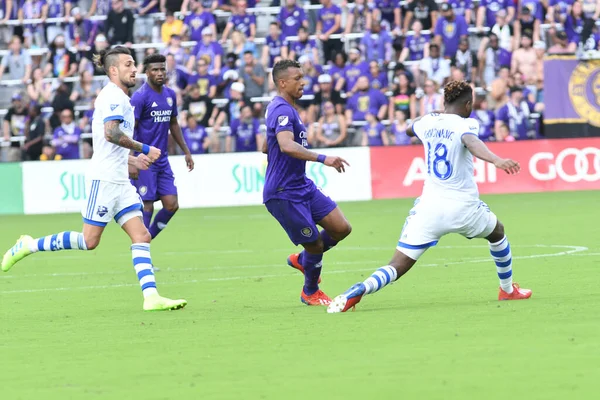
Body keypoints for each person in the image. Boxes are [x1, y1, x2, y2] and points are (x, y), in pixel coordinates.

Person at [1, 47, 187, 312]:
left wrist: (131, 160)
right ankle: (29, 245)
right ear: (113, 70)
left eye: (134, 64)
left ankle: (151, 296)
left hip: (120, 180)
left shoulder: (122, 97)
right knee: (89, 241)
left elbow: (109, 145)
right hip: (104, 180)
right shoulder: (113, 96)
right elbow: (111, 134)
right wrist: (144, 149)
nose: (134, 69)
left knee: (142, 235)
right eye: (128, 64)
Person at [327, 80, 531, 313]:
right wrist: (496, 160)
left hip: (429, 208)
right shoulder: (467, 123)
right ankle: (507, 289)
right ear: (467, 105)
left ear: (444, 102)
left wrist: (431, 116)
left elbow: (408, 129)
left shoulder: (426, 122)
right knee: (498, 233)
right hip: (464, 208)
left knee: (397, 265)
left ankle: (361, 289)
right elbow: (471, 142)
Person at [263, 59, 352, 306]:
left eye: (303, 77)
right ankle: (310, 292)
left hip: (302, 185)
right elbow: (285, 145)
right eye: (297, 78)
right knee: (314, 243)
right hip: (283, 192)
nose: (303, 82)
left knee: (341, 228)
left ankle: (302, 261)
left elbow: (265, 146)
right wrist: (324, 158)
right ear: (283, 83)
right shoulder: (281, 109)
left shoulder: (284, 109)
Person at [130, 54, 195, 241]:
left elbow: (173, 124)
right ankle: (143, 252)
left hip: (162, 159)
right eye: (155, 70)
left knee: (171, 205)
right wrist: (133, 160)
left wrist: (186, 151)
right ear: (147, 72)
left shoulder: (170, 95)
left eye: (162, 69)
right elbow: (130, 130)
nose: (160, 73)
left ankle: (145, 241)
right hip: (144, 160)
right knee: (147, 206)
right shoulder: (140, 97)